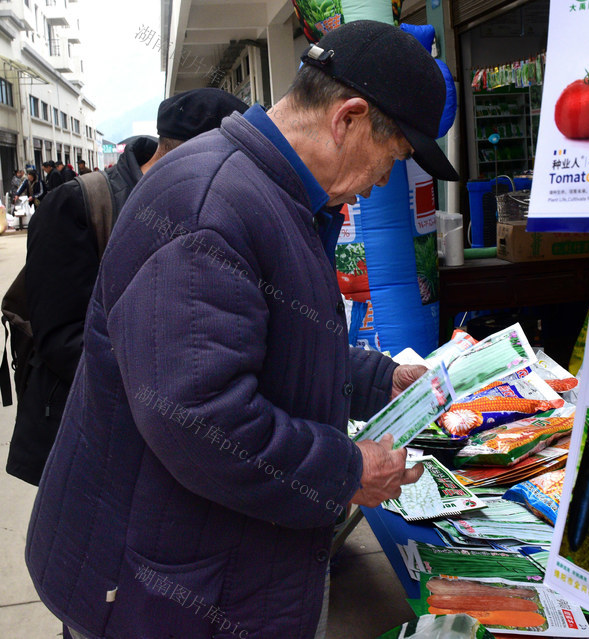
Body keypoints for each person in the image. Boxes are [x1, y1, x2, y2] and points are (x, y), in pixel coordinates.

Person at [26, 21, 456, 639]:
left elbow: (283, 344)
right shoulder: (209, 204)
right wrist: (346, 473)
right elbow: (200, 417)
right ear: (349, 118)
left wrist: (382, 379)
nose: (384, 181)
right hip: (161, 595)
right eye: (392, 159)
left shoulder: (272, 192)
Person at [6, 88, 250, 488]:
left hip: (160, 441)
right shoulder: (78, 204)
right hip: (86, 434)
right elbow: (62, 340)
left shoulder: (200, 209)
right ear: (194, 154)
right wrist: (172, 386)